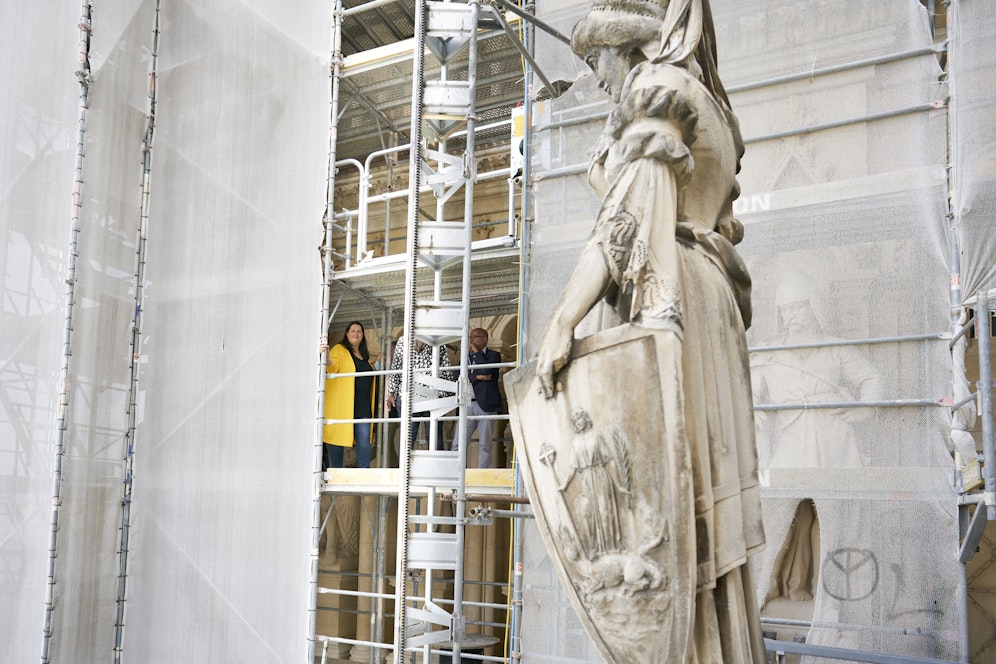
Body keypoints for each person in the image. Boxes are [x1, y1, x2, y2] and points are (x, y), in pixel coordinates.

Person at [534, 0, 766, 660]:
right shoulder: (711, 105)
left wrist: (561, 323)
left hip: (672, 308)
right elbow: (701, 214)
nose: (599, 79)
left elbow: (627, 225)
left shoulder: (656, 88)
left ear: (630, 50)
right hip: (710, 309)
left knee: (666, 521)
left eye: (598, 61)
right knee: (697, 520)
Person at [323, 321, 376, 469]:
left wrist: (376, 364)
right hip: (343, 405)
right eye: (352, 330)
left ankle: (364, 474)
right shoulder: (340, 349)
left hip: (363, 407)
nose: (356, 333)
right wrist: (326, 356)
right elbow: (332, 366)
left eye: (359, 331)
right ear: (347, 334)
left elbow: (368, 372)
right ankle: (337, 473)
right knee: (337, 439)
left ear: (363, 335)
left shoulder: (364, 356)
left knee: (364, 441)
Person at [386, 335, 452, 451]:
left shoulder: (437, 339)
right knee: (408, 435)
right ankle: (404, 468)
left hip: (433, 395)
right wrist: (391, 392)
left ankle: (436, 467)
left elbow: (445, 368)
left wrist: (445, 394)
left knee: (434, 435)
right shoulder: (403, 340)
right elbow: (396, 366)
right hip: (408, 394)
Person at [455, 328, 503, 468]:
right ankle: (455, 472)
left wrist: (477, 353)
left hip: (486, 405)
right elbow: (457, 376)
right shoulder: (465, 357)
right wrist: (478, 377)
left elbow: (487, 370)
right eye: (470, 337)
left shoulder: (494, 356)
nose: (471, 340)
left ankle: (483, 473)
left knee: (485, 443)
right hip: (467, 404)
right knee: (459, 442)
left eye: (475, 337)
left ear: (484, 339)